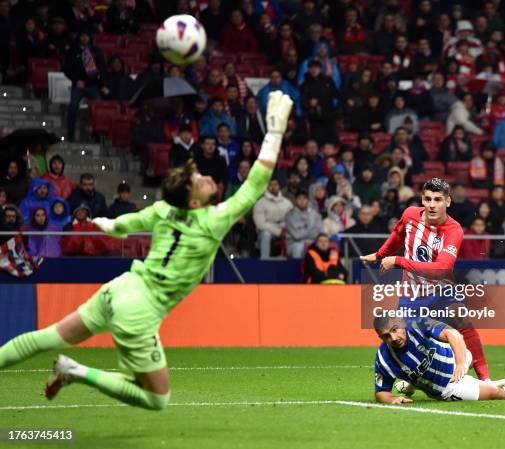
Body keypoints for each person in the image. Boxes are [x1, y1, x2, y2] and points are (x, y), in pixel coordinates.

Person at [0, 92, 294, 411]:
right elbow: (256, 183)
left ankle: (66, 368)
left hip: (121, 287)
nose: (208, 177)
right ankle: (76, 371)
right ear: (194, 202)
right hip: (139, 310)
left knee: (47, 338)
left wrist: (106, 224)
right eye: (201, 181)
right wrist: (275, 131)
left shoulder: (164, 209)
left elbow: (124, 225)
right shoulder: (213, 220)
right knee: (157, 398)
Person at [360, 178, 492, 381]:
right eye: (428, 199)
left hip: (443, 291)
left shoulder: (454, 231)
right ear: (422, 199)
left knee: (464, 324)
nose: (431, 205)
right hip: (411, 295)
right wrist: (379, 254)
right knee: (403, 337)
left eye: (438, 199)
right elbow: (397, 235)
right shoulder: (410, 215)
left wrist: (397, 260)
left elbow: (440, 269)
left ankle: (485, 379)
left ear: (448, 202)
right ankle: (401, 381)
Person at [372, 315, 505, 404]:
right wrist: (392, 399)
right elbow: (380, 393)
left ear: (400, 323)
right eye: (386, 336)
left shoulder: (416, 325)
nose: (394, 338)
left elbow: (454, 335)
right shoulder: (383, 358)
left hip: (456, 360)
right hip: (447, 387)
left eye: (395, 330)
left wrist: (461, 363)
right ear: (380, 338)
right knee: (496, 394)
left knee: (462, 349)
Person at [64, 31, 106, 141]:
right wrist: (76, 80)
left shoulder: (96, 51)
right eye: (82, 35)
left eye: (87, 36)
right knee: (72, 108)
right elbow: (66, 68)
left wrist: (101, 85)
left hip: (93, 85)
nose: (85, 38)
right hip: (78, 86)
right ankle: (71, 135)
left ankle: (97, 135)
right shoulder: (73, 51)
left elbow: (102, 69)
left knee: (98, 110)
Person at [253, 177, 293, 259]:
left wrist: (285, 229)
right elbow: (260, 224)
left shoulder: (287, 202)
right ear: (267, 186)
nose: (273, 187)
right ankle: (265, 258)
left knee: (294, 234)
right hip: (267, 230)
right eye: (270, 185)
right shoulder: (260, 203)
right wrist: (278, 231)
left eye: (276, 184)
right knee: (266, 234)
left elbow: (292, 219)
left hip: (284, 228)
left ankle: (288, 259)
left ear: (279, 186)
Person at [285, 190, 322, 259]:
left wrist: (304, 230)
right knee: (299, 247)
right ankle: (297, 269)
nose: (302, 201)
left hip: (312, 241)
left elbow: (318, 233)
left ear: (308, 200)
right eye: (299, 198)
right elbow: (297, 236)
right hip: (294, 244)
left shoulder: (315, 214)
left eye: (304, 198)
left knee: (323, 245)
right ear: (295, 201)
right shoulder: (290, 216)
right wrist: (311, 229)